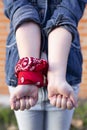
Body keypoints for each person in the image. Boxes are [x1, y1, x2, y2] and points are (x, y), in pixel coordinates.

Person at [3, 0, 86, 130]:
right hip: (23, 81)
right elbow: (19, 8)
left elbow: (68, 12)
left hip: (64, 76)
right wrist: (29, 76)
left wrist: (56, 77)